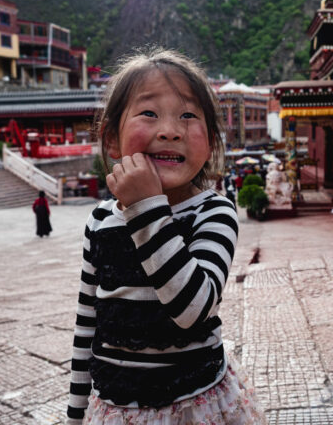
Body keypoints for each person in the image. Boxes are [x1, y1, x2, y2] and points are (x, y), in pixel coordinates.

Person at [67, 48, 265, 425]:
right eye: (149, 113)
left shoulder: (214, 212)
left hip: (195, 405)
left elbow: (194, 309)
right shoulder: (100, 221)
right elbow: (87, 325)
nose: (170, 130)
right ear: (111, 139)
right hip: (116, 409)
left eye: (188, 115)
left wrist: (146, 207)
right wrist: (75, 416)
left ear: (209, 139)